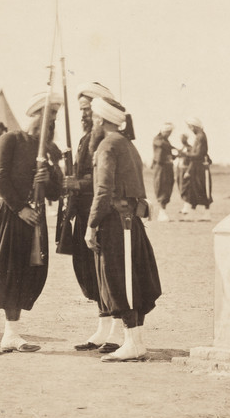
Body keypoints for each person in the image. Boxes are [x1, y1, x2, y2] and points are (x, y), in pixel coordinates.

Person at [0, 91, 63, 355]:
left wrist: (48, 176)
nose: (49, 125)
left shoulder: (49, 150)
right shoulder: (10, 139)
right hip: (8, 215)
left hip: (33, 220)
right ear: (34, 116)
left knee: (24, 275)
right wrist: (20, 208)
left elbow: (56, 193)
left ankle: (11, 335)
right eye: (46, 118)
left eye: (53, 120)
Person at [85, 97, 162, 362]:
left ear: (99, 119)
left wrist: (91, 224)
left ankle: (132, 342)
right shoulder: (128, 144)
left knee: (122, 282)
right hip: (132, 222)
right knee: (133, 279)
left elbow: (103, 190)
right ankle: (135, 342)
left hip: (116, 224)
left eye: (94, 118)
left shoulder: (107, 145)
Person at [61, 82, 125, 353]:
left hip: (99, 212)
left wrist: (76, 183)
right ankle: (103, 328)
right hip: (82, 212)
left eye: (87, 109)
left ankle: (117, 332)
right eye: (81, 110)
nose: (83, 115)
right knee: (90, 273)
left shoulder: (104, 138)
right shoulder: (85, 137)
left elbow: (102, 181)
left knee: (107, 272)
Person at [178, 117, 212, 220]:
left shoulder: (200, 137)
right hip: (197, 167)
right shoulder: (200, 136)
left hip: (200, 167)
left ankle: (206, 214)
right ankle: (193, 213)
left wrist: (185, 154)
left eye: (191, 127)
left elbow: (198, 154)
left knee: (203, 189)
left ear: (194, 127)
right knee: (196, 189)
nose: (190, 129)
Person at [151, 123, 177, 222]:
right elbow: (161, 145)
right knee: (162, 186)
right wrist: (173, 148)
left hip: (167, 167)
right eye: (168, 132)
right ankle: (162, 212)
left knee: (168, 187)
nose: (169, 134)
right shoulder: (158, 139)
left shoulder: (166, 141)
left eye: (170, 132)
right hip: (161, 167)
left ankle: (163, 211)